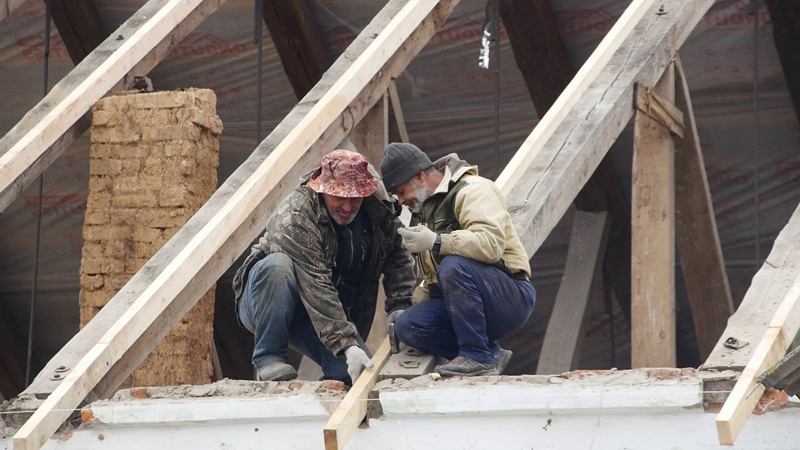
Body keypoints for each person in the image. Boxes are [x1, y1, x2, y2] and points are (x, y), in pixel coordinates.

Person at [233, 150, 416, 384]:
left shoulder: (378, 206)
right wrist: (347, 344)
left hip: (319, 312)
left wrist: (400, 304)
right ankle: (269, 357)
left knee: (355, 376)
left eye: (355, 198)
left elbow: (397, 253)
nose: (348, 207)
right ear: (323, 189)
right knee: (278, 266)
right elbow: (316, 284)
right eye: (339, 197)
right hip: (267, 300)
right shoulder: (296, 216)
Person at [380, 143, 536, 376]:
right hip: (465, 306)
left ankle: (477, 355)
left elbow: (490, 245)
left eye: (402, 192)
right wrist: (407, 308)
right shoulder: (422, 211)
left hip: (509, 298)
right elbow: (434, 282)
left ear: (420, 176)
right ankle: (489, 354)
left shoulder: (473, 190)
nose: (401, 201)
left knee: (452, 266)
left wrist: (436, 241)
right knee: (409, 325)